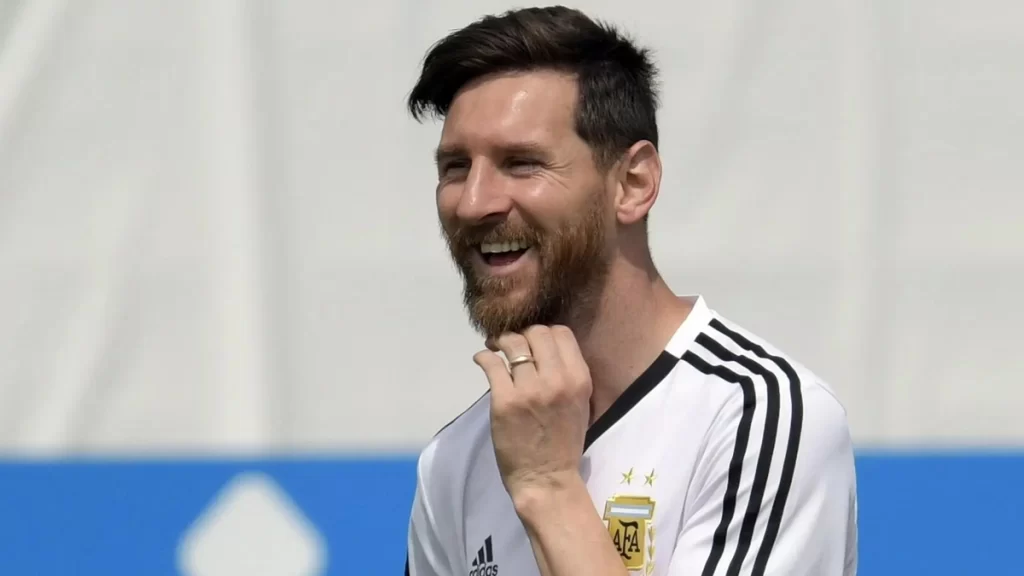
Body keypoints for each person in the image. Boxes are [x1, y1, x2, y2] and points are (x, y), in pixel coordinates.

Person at [403, 6, 857, 576]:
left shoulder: (759, 416)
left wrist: (548, 486)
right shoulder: (454, 461)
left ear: (633, 183)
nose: (474, 203)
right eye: (455, 168)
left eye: (521, 163)